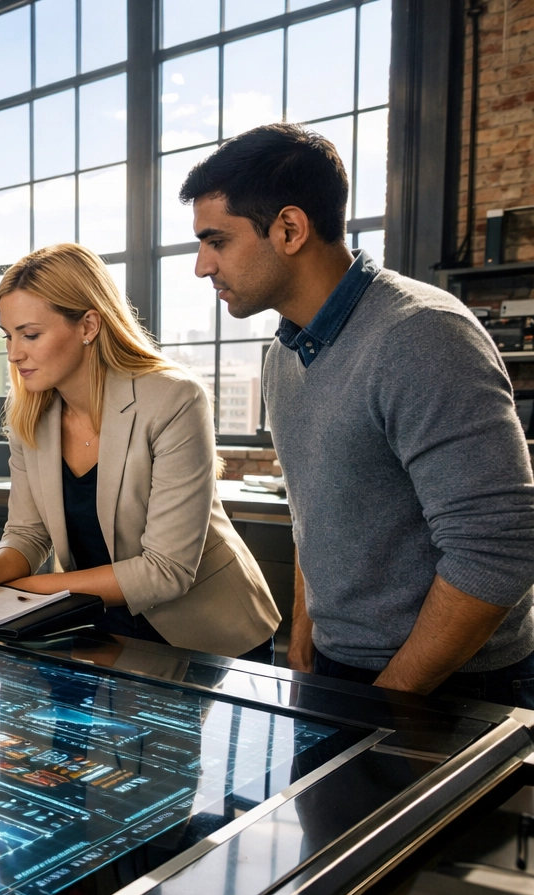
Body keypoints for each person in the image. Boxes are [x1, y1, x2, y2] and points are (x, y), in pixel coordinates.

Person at [180, 123, 534, 702]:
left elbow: (498, 547)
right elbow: (311, 515)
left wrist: (389, 702)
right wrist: (304, 638)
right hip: (337, 670)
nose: (201, 266)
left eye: (216, 241)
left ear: (290, 229)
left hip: (453, 683)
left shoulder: (421, 334)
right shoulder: (283, 354)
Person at [0, 243, 281, 661]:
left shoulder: (174, 399)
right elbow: (28, 535)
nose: (14, 353)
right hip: (106, 630)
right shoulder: (30, 414)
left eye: (30, 335)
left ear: (88, 325)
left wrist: (20, 590)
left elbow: (165, 571)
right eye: (9, 336)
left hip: (211, 639)